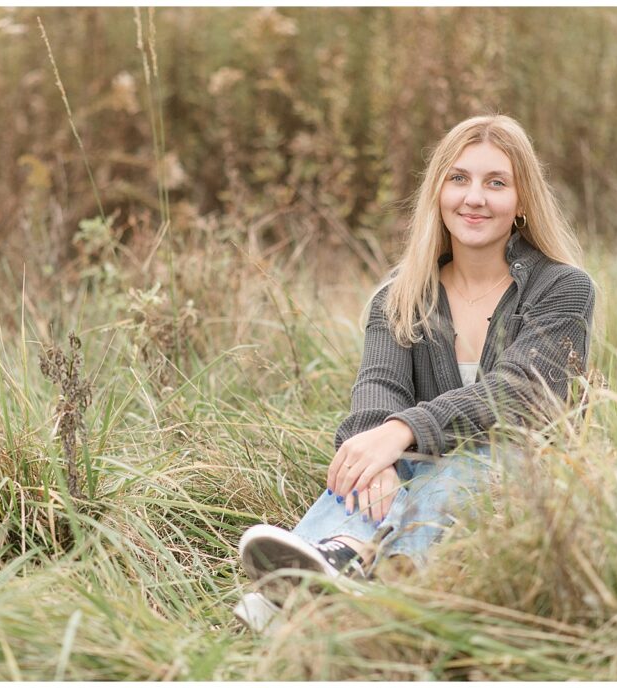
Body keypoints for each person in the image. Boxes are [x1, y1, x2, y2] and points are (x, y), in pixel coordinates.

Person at [235, 114, 595, 630]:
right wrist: (372, 452)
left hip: (528, 474)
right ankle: (322, 566)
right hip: (417, 466)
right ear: (438, 192)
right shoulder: (400, 296)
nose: (474, 197)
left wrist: (401, 432)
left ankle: (358, 584)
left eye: (496, 183)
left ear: (522, 202)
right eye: (459, 179)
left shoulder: (563, 288)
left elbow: (523, 393)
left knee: (455, 467)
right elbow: (378, 388)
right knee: (372, 463)